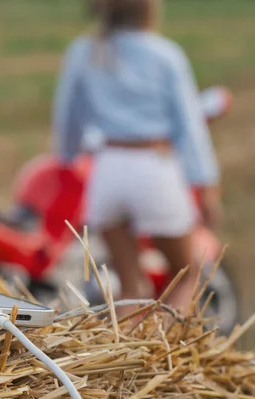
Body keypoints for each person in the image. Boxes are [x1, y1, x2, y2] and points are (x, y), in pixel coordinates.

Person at [53, 0, 222, 315]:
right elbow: (190, 127)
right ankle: (165, 345)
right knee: (188, 276)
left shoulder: (84, 51)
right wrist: (207, 186)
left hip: (107, 172)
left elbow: (66, 119)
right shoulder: (165, 54)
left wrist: (67, 155)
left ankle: (125, 358)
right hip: (154, 169)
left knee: (132, 289)